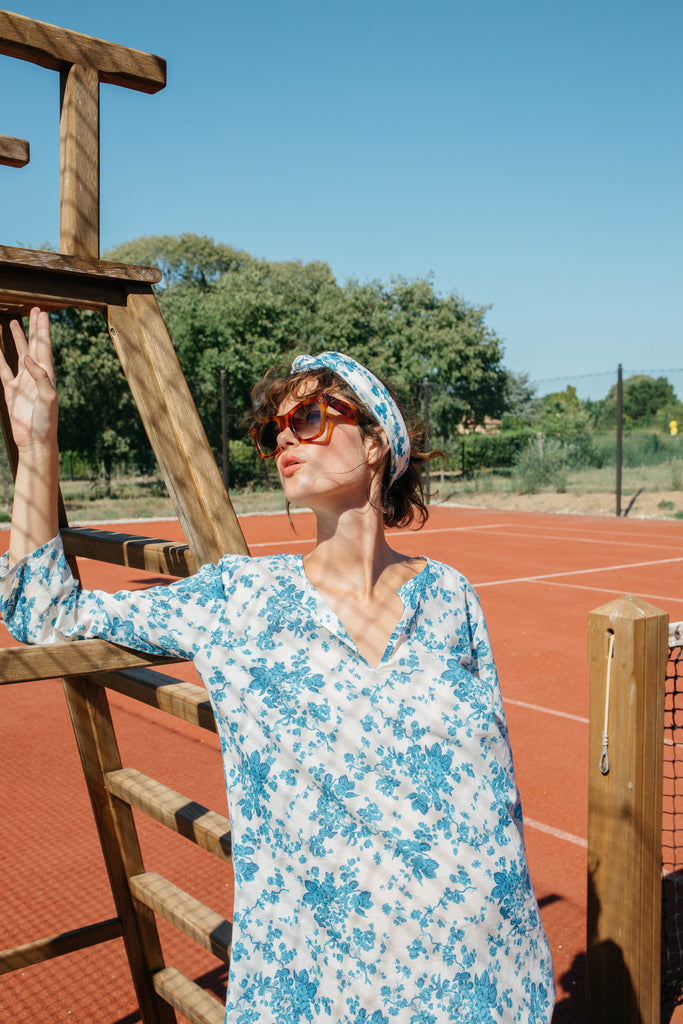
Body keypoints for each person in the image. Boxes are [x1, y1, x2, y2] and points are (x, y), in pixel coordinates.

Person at [0, 308, 555, 1023]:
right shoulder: (242, 598)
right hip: (328, 987)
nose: (285, 438)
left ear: (376, 441)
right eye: (274, 432)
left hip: (481, 971)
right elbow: (44, 611)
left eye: (309, 418)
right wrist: (37, 444)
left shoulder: (449, 596)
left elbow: (495, 787)